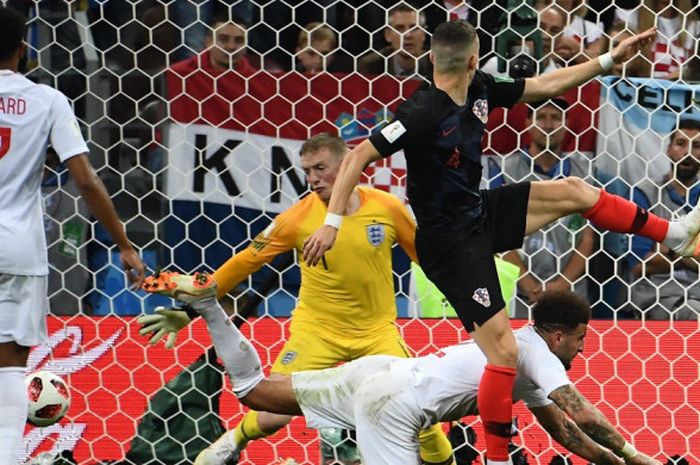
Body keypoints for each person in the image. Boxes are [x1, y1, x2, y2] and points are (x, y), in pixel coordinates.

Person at [302, 20, 700, 465]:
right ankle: (496, 458)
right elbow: (357, 154)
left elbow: (544, 83)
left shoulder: (483, 86)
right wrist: (332, 221)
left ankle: (677, 235)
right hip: (450, 244)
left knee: (575, 190)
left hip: (480, 212)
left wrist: (608, 60)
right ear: (473, 59)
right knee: (505, 350)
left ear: (434, 58)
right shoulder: (421, 111)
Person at [139, 134, 454, 465]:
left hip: (376, 332)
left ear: (349, 164)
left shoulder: (387, 207)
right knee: (273, 411)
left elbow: (426, 257)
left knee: (418, 415)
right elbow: (245, 261)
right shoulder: (297, 218)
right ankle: (232, 441)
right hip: (316, 332)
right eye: (307, 171)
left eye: (320, 168)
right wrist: (188, 311)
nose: (313, 178)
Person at [141, 274, 662, 465]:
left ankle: (210, 307)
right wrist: (637, 452)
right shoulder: (541, 353)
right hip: (395, 405)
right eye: (580, 340)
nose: (581, 350)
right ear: (558, 333)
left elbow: (565, 433)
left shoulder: (520, 351)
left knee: (255, 393)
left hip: (380, 372)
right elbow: (585, 415)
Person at [0, 7, 146, 465]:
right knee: (10, 366)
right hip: (19, 249)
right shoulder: (47, 99)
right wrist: (123, 242)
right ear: (24, 50)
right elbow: (86, 180)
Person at [494, 98, 595, 316]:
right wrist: (528, 284)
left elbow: (588, 238)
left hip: (570, 294)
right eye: (541, 117)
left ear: (567, 123)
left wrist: (561, 285)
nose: (548, 125)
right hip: (517, 294)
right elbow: (496, 236)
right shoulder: (504, 171)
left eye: (556, 118)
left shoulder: (584, 174)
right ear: (528, 122)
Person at [628, 119, 700, 320]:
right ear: (668, 150)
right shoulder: (644, 195)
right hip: (657, 296)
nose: (688, 152)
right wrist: (691, 252)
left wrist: (670, 248)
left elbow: (658, 256)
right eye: (681, 144)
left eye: (697, 146)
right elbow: (640, 265)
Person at [358, 2, 432, 82]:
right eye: (399, 28)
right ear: (388, 35)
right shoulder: (370, 66)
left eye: (414, 28)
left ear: (424, 34)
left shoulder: (439, 64)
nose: (407, 35)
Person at [170, 15, 257, 77]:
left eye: (239, 40)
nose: (231, 46)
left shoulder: (256, 80)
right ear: (208, 42)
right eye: (223, 39)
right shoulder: (180, 74)